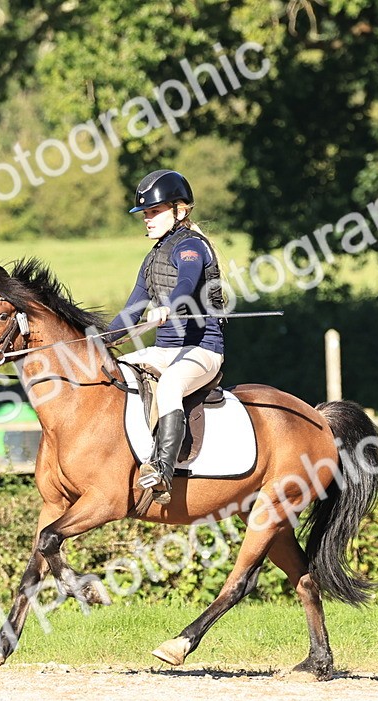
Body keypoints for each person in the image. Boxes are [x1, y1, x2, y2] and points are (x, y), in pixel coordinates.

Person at [104, 169, 225, 504]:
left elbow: (186, 283)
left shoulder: (192, 247)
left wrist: (169, 307)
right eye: (145, 214)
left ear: (180, 210)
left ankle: (161, 470)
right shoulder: (152, 257)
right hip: (164, 350)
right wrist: (99, 340)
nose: (147, 219)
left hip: (202, 351)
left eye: (154, 212)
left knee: (171, 384)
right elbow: (131, 311)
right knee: (115, 369)